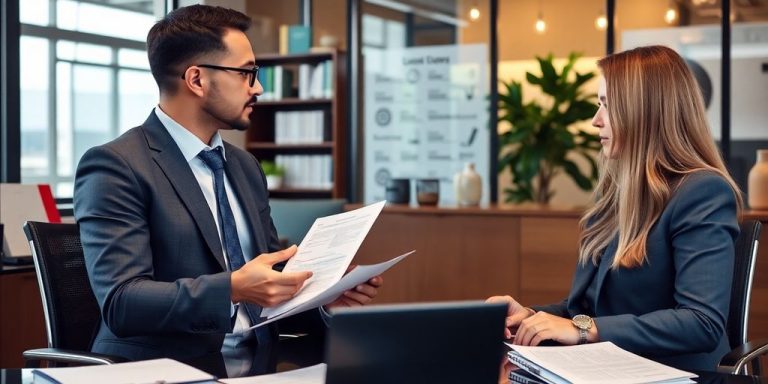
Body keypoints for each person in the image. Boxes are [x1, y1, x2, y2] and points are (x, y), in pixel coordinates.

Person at [73, 4, 382, 375]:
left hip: (260, 364)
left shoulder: (244, 166)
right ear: (197, 80)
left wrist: (324, 298)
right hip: (164, 369)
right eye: (247, 73)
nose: (259, 87)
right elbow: (123, 302)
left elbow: (270, 286)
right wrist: (234, 289)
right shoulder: (116, 165)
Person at [487, 45, 742, 371]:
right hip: (606, 368)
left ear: (644, 111)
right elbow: (587, 310)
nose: (595, 121)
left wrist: (581, 328)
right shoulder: (616, 198)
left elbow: (700, 322)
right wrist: (532, 318)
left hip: (671, 374)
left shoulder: (702, 192)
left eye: (607, 106)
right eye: (598, 105)